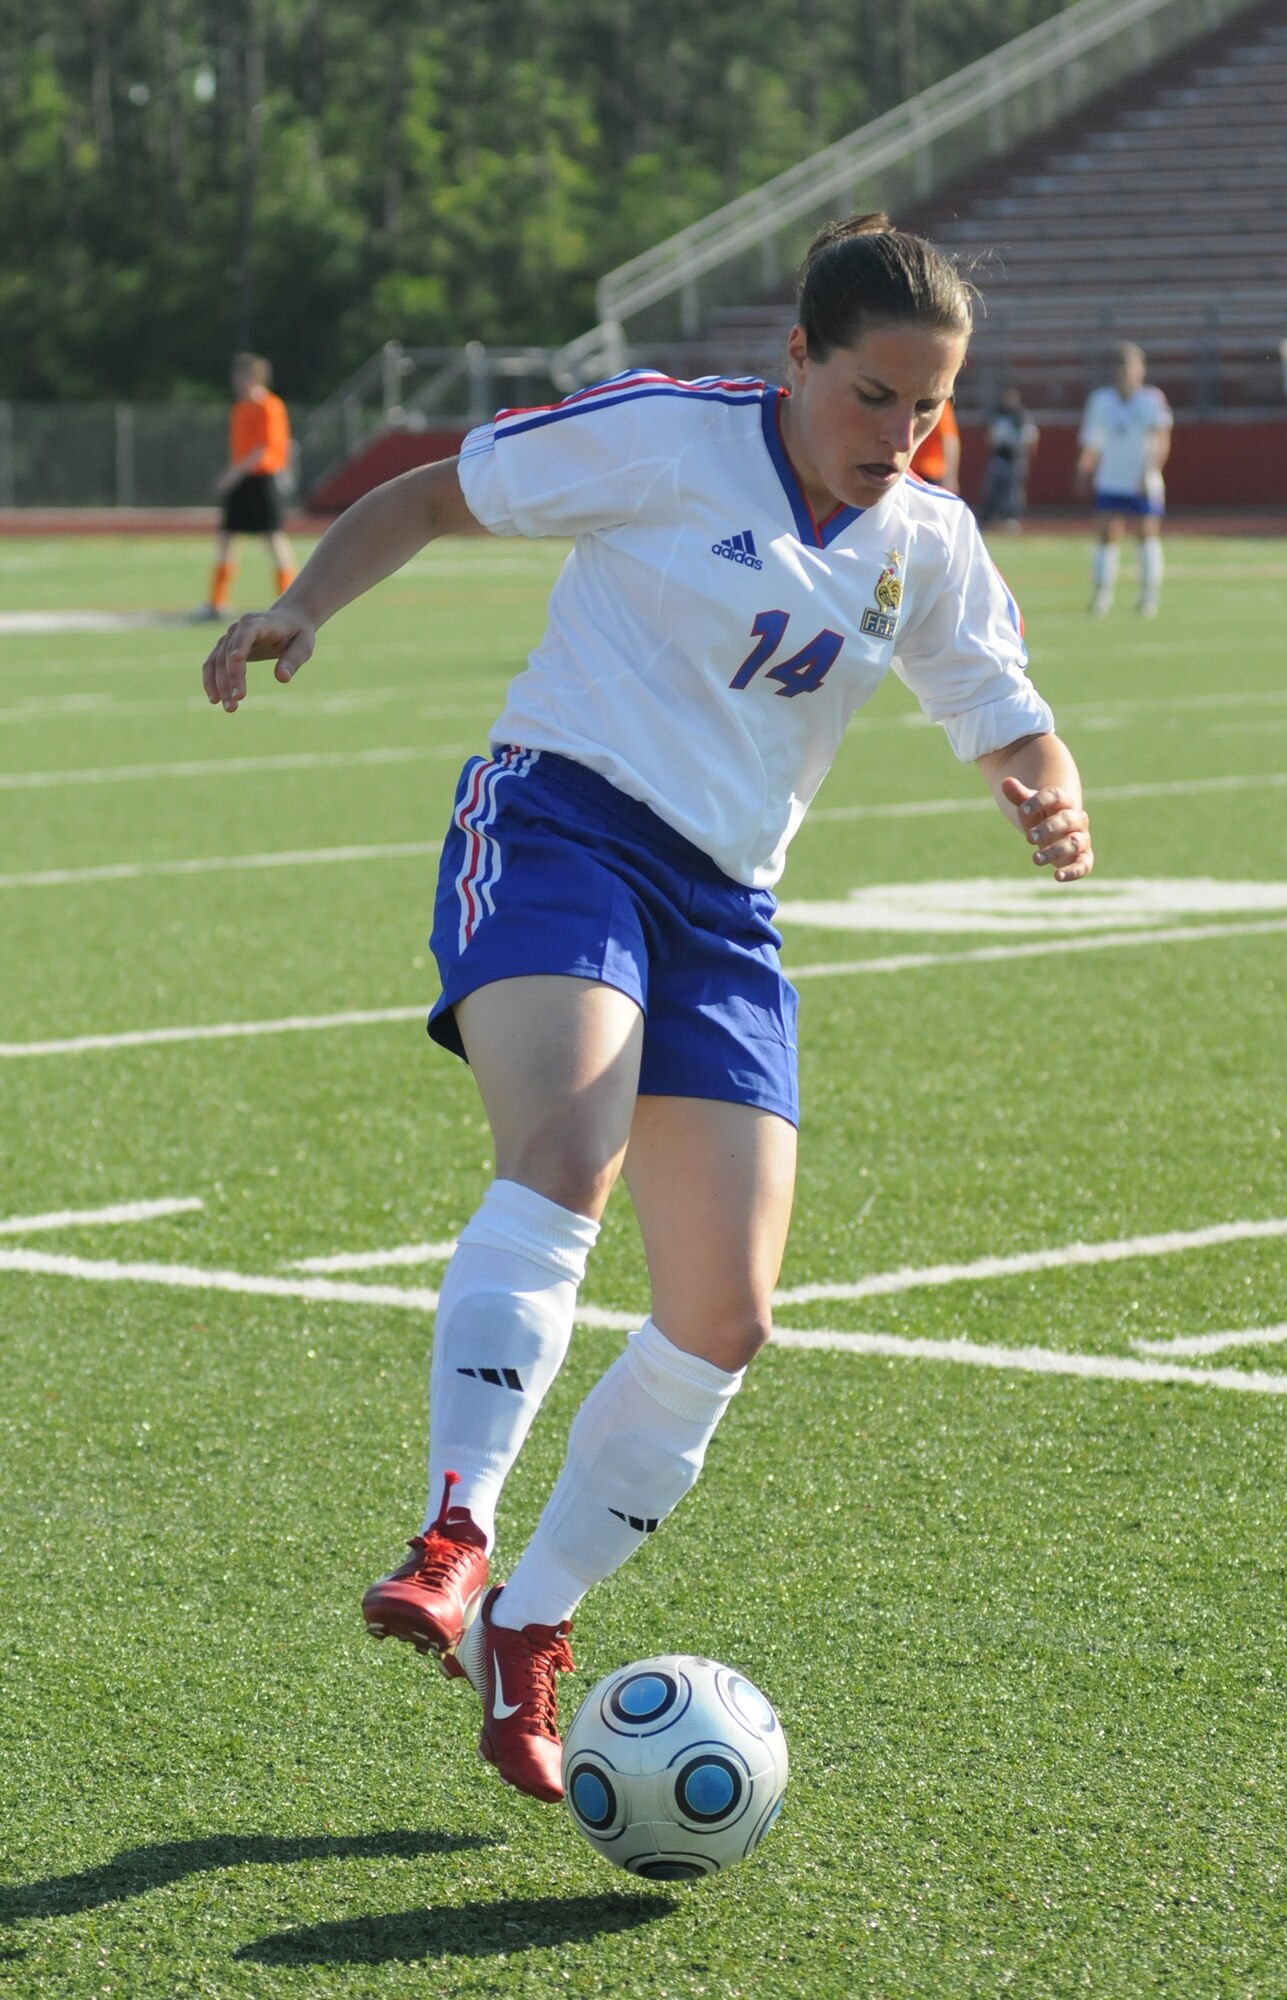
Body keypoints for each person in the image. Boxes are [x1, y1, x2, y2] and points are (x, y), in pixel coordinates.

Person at [200, 213, 1094, 1807]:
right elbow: (431, 493)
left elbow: (1000, 706)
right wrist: (305, 604)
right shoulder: (665, 435)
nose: (899, 435)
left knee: (723, 1316)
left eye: (928, 409)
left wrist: (1044, 794)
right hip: (560, 824)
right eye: (873, 393)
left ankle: (531, 1621)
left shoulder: (929, 543)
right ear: (799, 358)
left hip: (725, 909)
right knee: (567, 1148)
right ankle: (455, 1529)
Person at [1076, 343, 1173, 616]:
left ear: (1141, 369)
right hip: (1111, 478)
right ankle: (1102, 597)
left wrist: (1150, 472)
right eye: (1120, 366)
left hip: (1142, 480)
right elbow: (1092, 440)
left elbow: (1161, 440)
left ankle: (1148, 598)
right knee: (1107, 535)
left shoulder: (1152, 399)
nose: (1125, 372)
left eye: (1130, 365)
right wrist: (1085, 466)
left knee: (1146, 535)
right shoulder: (1101, 401)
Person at [201, 354, 297, 620]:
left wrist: (234, 473)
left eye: (244, 375)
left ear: (256, 378)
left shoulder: (270, 406)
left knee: (273, 537)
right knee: (226, 537)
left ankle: (290, 601)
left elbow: (266, 447)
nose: (238, 381)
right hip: (241, 479)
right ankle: (216, 602)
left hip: (261, 478)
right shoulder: (240, 408)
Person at [977, 387, 1040, 532]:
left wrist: (1026, 451)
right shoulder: (997, 413)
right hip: (998, 457)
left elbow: (1031, 435)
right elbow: (989, 434)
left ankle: (1011, 519)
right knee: (991, 489)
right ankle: (987, 518)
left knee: (1014, 492)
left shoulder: (1021, 415)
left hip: (1015, 459)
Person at [909, 396, 959, 489]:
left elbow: (949, 439)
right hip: (910, 470)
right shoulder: (908, 400)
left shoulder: (938, 403)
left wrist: (950, 477)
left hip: (930, 472)